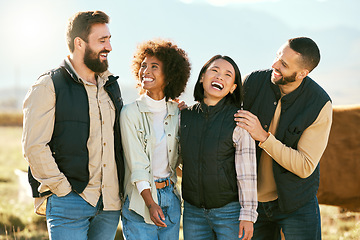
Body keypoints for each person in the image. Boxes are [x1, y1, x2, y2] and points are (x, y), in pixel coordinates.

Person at [22, 11, 124, 240]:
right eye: (102, 41)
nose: (109, 47)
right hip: (69, 203)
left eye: (109, 39)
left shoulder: (110, 86)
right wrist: (63, 190)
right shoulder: (48, 86)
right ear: (79, 43)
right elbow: (34, 147)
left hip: (109, 206)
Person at [235, 37, 332, 240]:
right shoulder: (252, 82)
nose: (274, 65)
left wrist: (263, 137)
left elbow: (305, 165)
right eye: (278, 57)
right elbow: (220, 112)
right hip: (252, 205)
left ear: (302, 74)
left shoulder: (320, 104)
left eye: (284, 65)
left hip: (296, 203)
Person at [180, 55, 258, 240]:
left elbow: (247, 173)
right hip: (192, 212)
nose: (219, 77)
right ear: (202, 78)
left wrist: (248, 215)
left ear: (232, 88)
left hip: (229, 212)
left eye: (227, 75)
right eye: (214, 71)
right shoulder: (184, 117)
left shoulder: (239, 121)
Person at [120, 39, 191, 240]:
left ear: (169, 75)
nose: (146, 71)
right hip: (140, 199)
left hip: (171, 197)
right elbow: (137, 165)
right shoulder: (130, 113)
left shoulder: (177, 113)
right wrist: (151, 203)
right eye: (143, 66)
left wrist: (188, 119)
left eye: (154, 67)